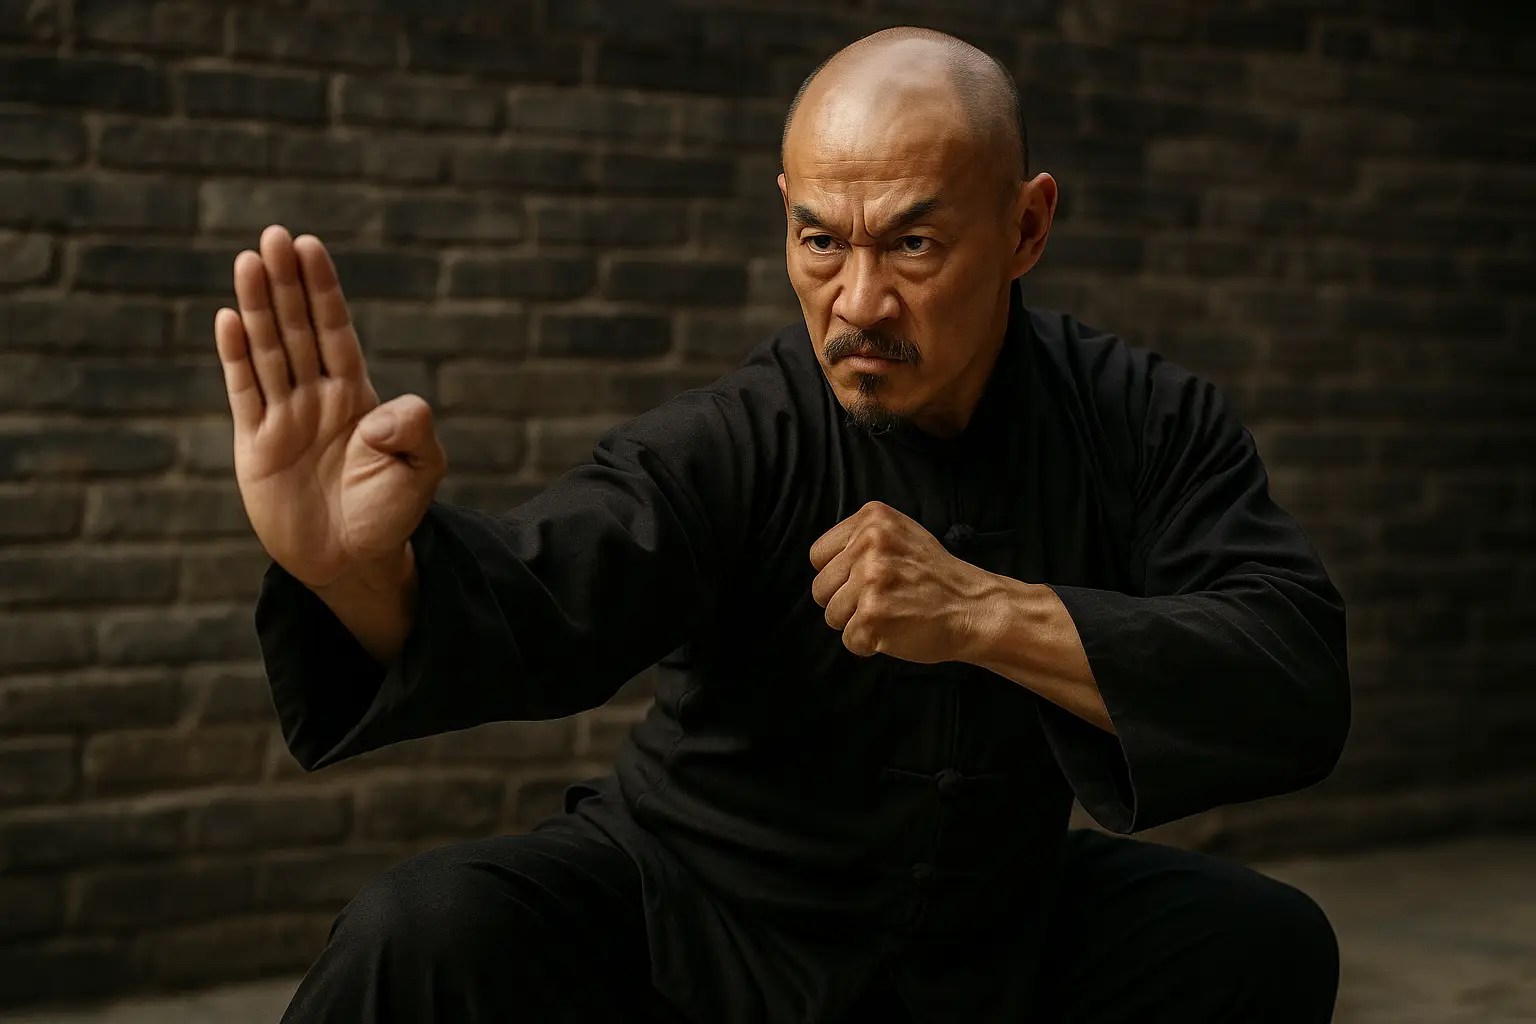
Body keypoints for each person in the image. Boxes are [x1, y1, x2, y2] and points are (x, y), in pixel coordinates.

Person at [215, 26, 1350, 1024]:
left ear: (1026, 226)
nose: (857, 302)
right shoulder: (733, 440)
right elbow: (537, 594)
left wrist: (985, 613)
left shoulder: (1144, 422)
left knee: (1259, 942)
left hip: (986, 947)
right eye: (821, 242)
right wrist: (353, 568)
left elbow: (1291, 666)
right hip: (698, 941)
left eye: (912, 244)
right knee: (424, 928)